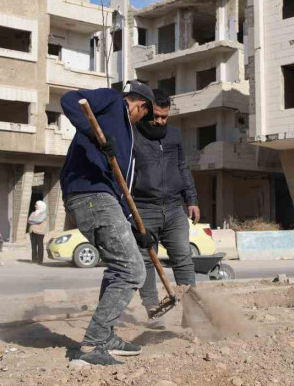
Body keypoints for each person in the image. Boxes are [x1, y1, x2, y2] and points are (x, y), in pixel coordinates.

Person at [60, 80, 158, 366]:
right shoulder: (113, 101)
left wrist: (137, 228)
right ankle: (95, 342)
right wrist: (93, 134)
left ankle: (107, 334)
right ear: (140, 105)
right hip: (90, 194)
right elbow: (69, 99)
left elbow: (120, 188)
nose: (143, 121)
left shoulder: (127, 139)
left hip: (103, 199)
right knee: (131, 269)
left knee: (120, 268)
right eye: (145, 115)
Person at [131, 89, 200, 329]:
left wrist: (191, 199)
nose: (160, 121)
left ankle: (191, 313)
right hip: (143, 207)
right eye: (156, 116)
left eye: (165, 117)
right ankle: (152, 308)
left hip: (173, 208)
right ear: (147, 111)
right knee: (146, 260)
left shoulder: (174, 135)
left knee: (183, 259)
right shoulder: (132, 134)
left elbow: (183, 167)